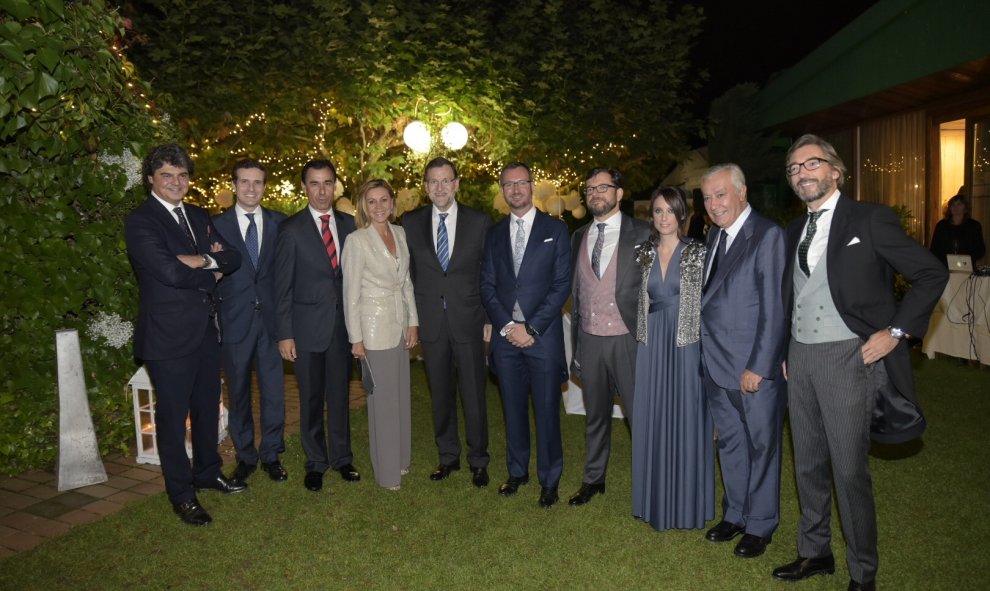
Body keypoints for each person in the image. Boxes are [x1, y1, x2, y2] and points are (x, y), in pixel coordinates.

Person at [772, 134, 948, 591]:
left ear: (836, 171)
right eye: (793, 168)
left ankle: (863, 573)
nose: (802, 173)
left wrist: (895, 333)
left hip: (849, 358)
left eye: (811, 163)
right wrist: (785, 352)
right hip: (800, 358)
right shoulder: (793, 230)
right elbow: (789, 297)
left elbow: (931, 273)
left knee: (849, 470)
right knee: (807, 463)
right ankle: (815, 553)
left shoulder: (870, 219)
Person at [124, 143, 246, 526]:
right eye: (167, 176)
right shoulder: (141, 221)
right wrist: (209, 268)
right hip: (168, 337)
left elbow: (233, 257)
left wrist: (203, 260)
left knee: (208, 406)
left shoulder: (197, 214)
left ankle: (207, 472)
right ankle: (181, 492)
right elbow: (169, 273)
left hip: (206, 330)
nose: (176, 182)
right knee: (174, 418)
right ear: (150, 180)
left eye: (182, 175)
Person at [699, 163, 787, 559]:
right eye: (707, 197)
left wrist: (761, 366)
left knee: (762, 446)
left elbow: (775, 308)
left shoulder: (767, 235)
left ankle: (761, 524)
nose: (714, 204)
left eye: (720, 195)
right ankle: (735, 513)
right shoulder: (715, 234)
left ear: (741, 192)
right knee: (731, 444)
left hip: (751, 369)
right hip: (715, 366)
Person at [480, 162, 571, 508]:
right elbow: (487, 285)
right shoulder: (494, 234)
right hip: (506, 340)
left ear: (532, 186)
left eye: (521, 183)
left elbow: (562, 284)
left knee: (547, 411)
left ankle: (550, 480)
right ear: (502, 191)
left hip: (542, 338)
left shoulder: (555, 230)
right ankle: (517, 472)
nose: (515, 190)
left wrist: (530, 327)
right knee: (512, 409)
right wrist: (507, 326)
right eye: (508, 185)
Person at [404, 157, 492, 487]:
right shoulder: (410, 222)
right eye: (433, 181)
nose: (440, 187)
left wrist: (487, 318)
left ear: (457, 184)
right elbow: (408, 276)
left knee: (473, 394)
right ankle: (448, 457)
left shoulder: (479, 221)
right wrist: (412, 319)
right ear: (426, 187)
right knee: (439, 393)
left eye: (446, 181)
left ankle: (479, 459)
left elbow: (487, 272)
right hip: (431, 322)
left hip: (468, 319)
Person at [274, 159, 360, 492]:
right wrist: (285, 333)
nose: (322, 191)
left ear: (335, 186)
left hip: (342, 328)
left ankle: (342, 458)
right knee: (310, 399)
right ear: (304, 187)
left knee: (340, 396)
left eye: (327, 183)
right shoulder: (291, 229)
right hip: (306, 329)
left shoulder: (350, 224)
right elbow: (281, 286)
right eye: (314, 183)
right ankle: (315, 462)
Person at [631, 185, 714, 531]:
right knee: (652, 417)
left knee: (687, 418)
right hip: (651, 343)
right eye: (658, 211)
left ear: (683, 214)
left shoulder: (699, 252)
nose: (664, 218)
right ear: (651, 215)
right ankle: (653, 501)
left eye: (671, 210)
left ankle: (687, 503)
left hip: (686, 344)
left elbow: (712, 302)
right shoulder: (642, 253)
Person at [567, 167, 650, 506]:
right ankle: (593, 478)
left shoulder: (644, 233)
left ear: (619, 193)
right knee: (596, 414)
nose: (595, 193)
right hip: (590, 340)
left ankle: (650, 481)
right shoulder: (577, 237)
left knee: (639, 414)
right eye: (590, 188)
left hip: (628, 340)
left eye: (604, 187)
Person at [212, 159, 289, 484]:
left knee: (274, 391)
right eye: (245, 181)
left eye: (258, 182)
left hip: (272, 323)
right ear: (234, 185)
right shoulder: (214, 226)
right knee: (239, 391)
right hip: (235, 321)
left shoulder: (280, 223)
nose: (251, 188)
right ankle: (245, 456)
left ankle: (271, 453)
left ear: (264, 186)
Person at [342, 180, 418, 490]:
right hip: (373, 330)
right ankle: (387, 475)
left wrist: (412, 321)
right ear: (363, 206)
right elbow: (350, 294)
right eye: (371, 202)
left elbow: (407, 283)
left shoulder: (399, 233)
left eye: (383, 200)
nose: (378, 207)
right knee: (383, 403)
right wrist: (355, 338)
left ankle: (400, 460)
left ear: (393, 202)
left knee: (399, 397)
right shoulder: (356, 241)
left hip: (399, 326)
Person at [929, 192, 985, 265]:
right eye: (953, 205)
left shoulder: (974, 226)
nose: (955, 207)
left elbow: (980, 249)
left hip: (966, 267)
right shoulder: (941, 225)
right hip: (944, 267)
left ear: (965, 207)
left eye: (959, 204)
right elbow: (934, 248)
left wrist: (966, 259)